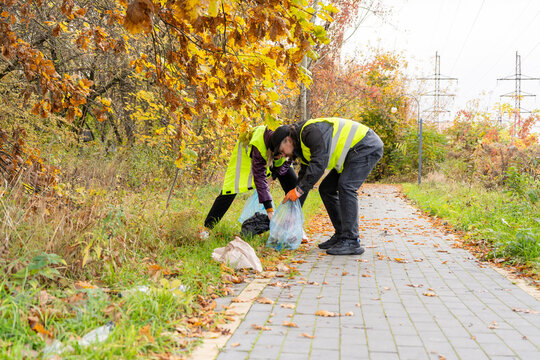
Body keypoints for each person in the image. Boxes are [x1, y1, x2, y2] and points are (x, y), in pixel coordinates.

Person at [275, 117, 383, 255]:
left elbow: (319, 165)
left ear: (287, 140)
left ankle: (351, 240)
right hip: (353, 152)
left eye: (281, 150)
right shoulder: (303, 147)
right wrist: (292, 208)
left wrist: (299, 190)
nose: (283, 155)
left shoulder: (310, 132)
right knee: (327, 189)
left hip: (366, 145)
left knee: (346, 186)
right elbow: (305, 177)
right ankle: (341, 235)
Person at [203, 125, 306, 233]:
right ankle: (206, 228)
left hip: (272, 152)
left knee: (293, 186)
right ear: (284, 142)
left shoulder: (289, 139)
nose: (284, 155)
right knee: (231, 189)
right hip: (247, 157)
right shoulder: (259, 146)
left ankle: (293, 226)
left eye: (286, 154)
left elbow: (287, 161)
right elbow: (260, 179)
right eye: (282, 153)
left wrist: (274, 175)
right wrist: (269, 210)